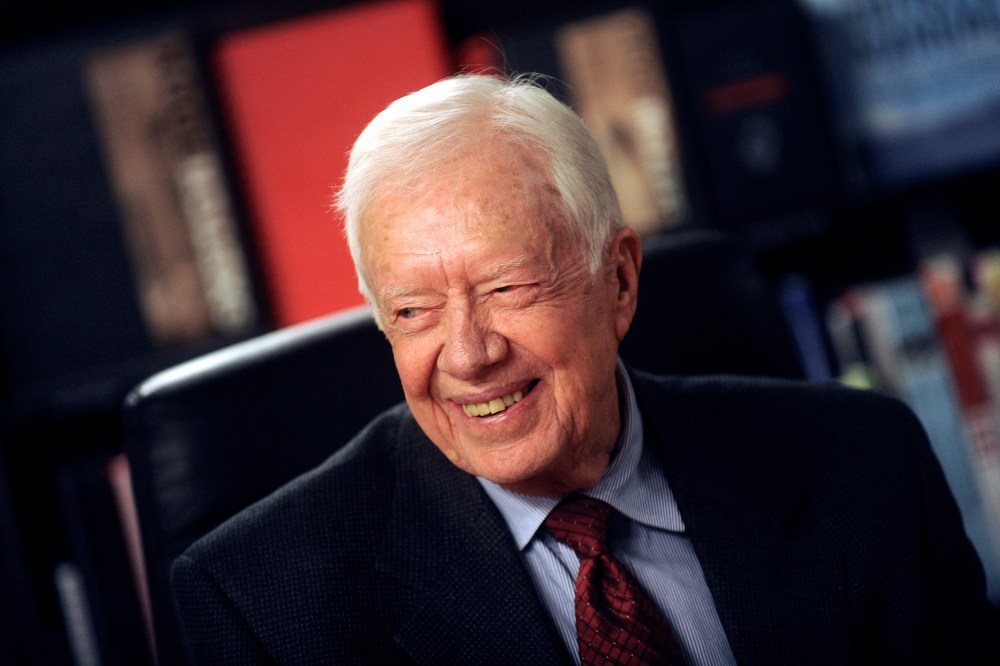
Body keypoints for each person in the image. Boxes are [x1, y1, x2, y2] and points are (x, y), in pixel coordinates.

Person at [170, 72, 1000, 665]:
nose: (467, 355)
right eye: (413, 311)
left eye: (508, 287)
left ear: (620, 282)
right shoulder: (261, 608)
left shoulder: (864, 462)